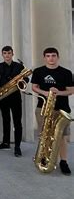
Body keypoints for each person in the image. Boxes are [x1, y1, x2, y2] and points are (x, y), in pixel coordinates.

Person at [31, 47, 73, 175]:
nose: (51, 58)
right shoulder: (38, 71)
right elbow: (34, 87)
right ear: (44, 58)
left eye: (53, 55)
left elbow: (71, 90)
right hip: (43, 108)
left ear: (57, 57)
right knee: (44, 136)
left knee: (62, 137)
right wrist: (45, 92)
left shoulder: (66, 72)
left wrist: (58, 93)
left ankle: (63, 162)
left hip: (61, 110)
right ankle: (44, 158)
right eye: (48, 56)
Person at [0, 46, 25, 157]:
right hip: (3, 96)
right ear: (2, 54)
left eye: (9, 53)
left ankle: (17, 147)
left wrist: (20, 81)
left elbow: (26, 79)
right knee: (5, 120)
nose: (7, 55)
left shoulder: (19, 66)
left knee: (17, 122)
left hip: (15, 96)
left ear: (12, 54)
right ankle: (5, 143)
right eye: (5, 53)